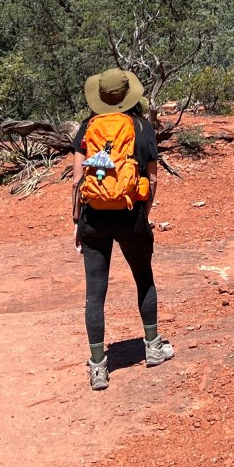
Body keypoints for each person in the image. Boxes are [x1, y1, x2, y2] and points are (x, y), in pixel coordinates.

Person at [72, 67, 174, 391]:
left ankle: (98, 368)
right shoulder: (142, 127)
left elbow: (77, 180)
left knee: (95, 293)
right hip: (131, 216)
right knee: (143, 278)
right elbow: (152, 178)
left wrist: (77, 221)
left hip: (93, 218)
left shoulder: (88, 127)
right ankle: (153, 347)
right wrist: (144, 212)